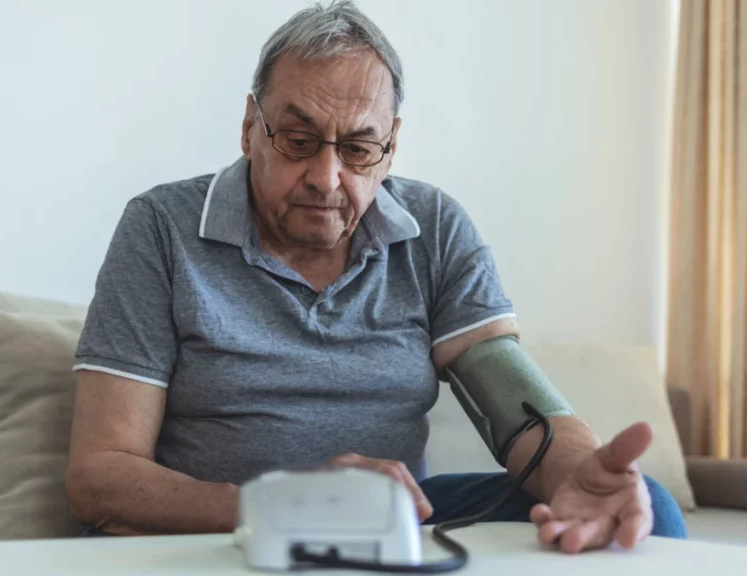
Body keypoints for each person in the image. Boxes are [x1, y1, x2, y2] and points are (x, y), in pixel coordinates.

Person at [65, 0, 687, 553]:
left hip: (394, 517)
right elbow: (100, 473)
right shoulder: (161, 228)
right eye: (299, 140)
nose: (327, 178)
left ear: (391, 147)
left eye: (359, 149)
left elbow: (513, 403)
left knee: (643, 505)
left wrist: (574, 466)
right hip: (226, 519)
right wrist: (297, 506)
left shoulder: (433, 226)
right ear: (252, 127)